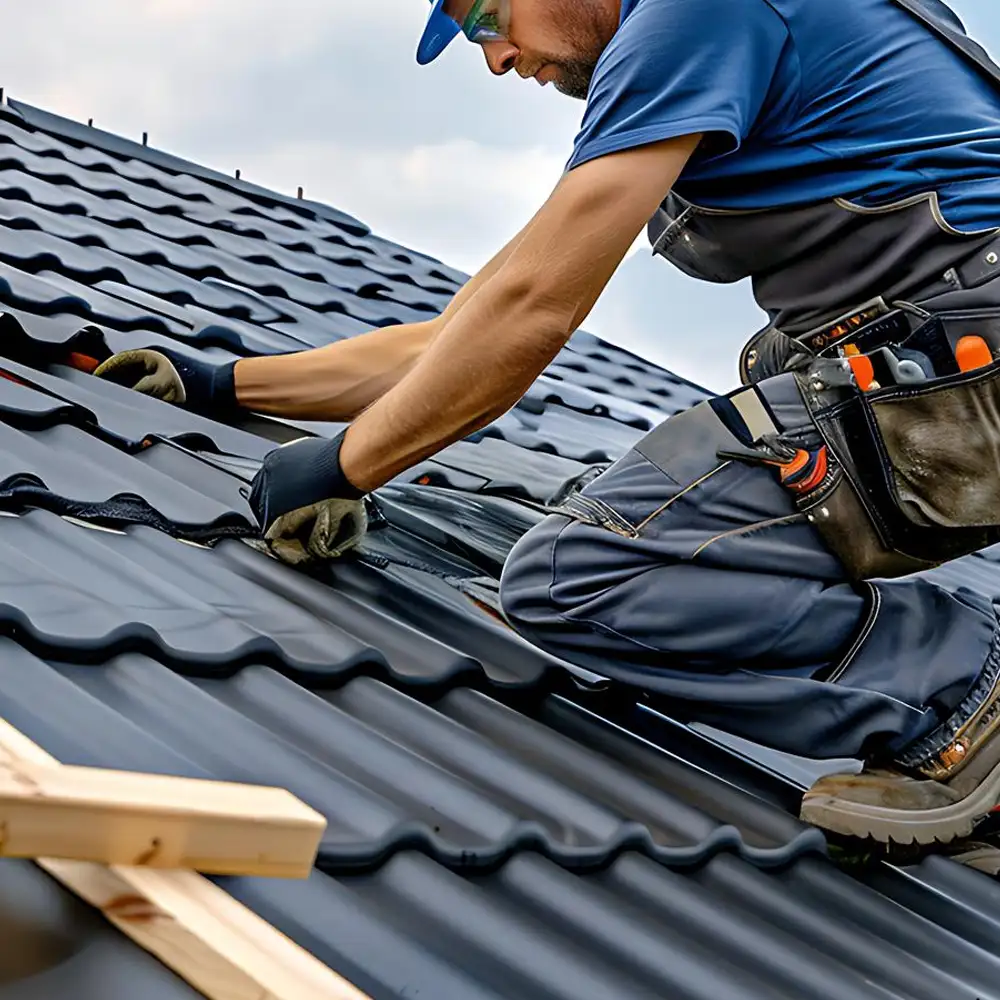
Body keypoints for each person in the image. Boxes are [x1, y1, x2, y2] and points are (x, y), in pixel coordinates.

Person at [95, 0, 1000, 848]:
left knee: (580, 572)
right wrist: (227, 385)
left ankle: (963, 691)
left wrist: (343, 467)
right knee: (744, 403)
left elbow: (532, 317)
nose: (496, 58)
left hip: (971, 357)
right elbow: (470, 327)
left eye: (488, 16)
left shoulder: (695, 13)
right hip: (952, 357)